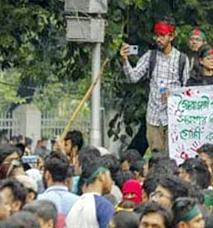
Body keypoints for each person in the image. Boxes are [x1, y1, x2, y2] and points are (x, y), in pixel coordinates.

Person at [121, 17, 191, 153]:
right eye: (157, 35)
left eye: (162, 35)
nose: (158, 39)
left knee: (173, 156)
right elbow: (133, 77)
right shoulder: (150, 56)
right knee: (156, 156)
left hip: (173, 117)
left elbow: (187, 91)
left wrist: (174, 95)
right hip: (153, 117)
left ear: (171, 36)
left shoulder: (182, 60)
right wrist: (125, 61)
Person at [65, 156, 114, 228]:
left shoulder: (74, 204)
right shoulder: (103, 206)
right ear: (101, 176)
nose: (111, 181)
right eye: (110, 176)